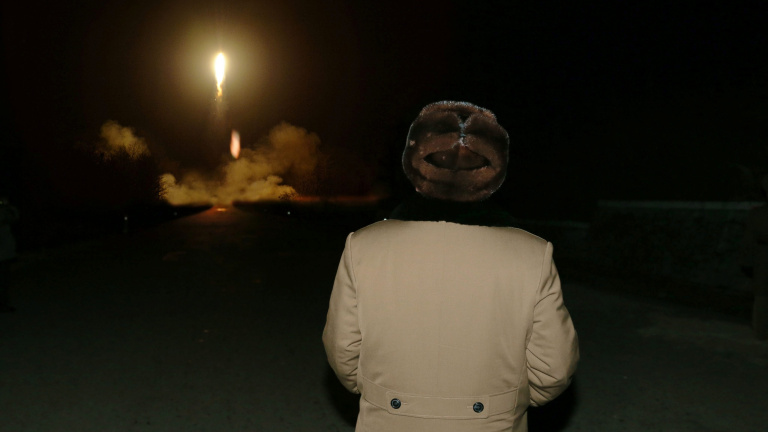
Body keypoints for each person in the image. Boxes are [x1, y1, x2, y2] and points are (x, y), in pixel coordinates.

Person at [323, 101, 579, 431]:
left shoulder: (363, 245)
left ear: (413, 164)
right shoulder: (532, 253)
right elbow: (554, 368)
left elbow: (342, 351)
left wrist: (382, 395)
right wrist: (509, 401)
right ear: (495, 172)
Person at [741, 175, 768, 340]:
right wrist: (747, 261)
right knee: (762, 297)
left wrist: (747, 262)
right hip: (763, 260)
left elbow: (749, 241)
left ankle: (761, 331)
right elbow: (749, 241)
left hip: (762, 260)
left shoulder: (757, 214)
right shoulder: (757, 214)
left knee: (762, 296)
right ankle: (761, 331)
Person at [0, 194, 19, 313]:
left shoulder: (5, 211)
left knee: (4, 280)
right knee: (3, 280)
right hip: (3, 253)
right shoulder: (3, 213)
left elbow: (15, 217)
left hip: (5, 253)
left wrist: (8, 206)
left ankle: (3, 304)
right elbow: (11, 218)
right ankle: (3, 304)